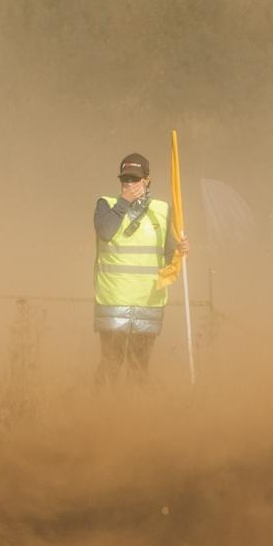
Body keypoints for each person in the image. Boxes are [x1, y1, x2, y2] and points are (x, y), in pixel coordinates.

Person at [94, 151, 186, 384]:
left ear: (147, 180)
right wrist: (124, 201)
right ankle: (97, 411)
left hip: (148, 304)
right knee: (111, 365)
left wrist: (180, 251)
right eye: (125, 179)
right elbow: (105, 232)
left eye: (135, 179)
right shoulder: (107, 205)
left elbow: (167, 257)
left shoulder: (163, 211)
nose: (130, 184)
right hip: (113, 302)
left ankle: (136, 415)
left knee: (139, 369)